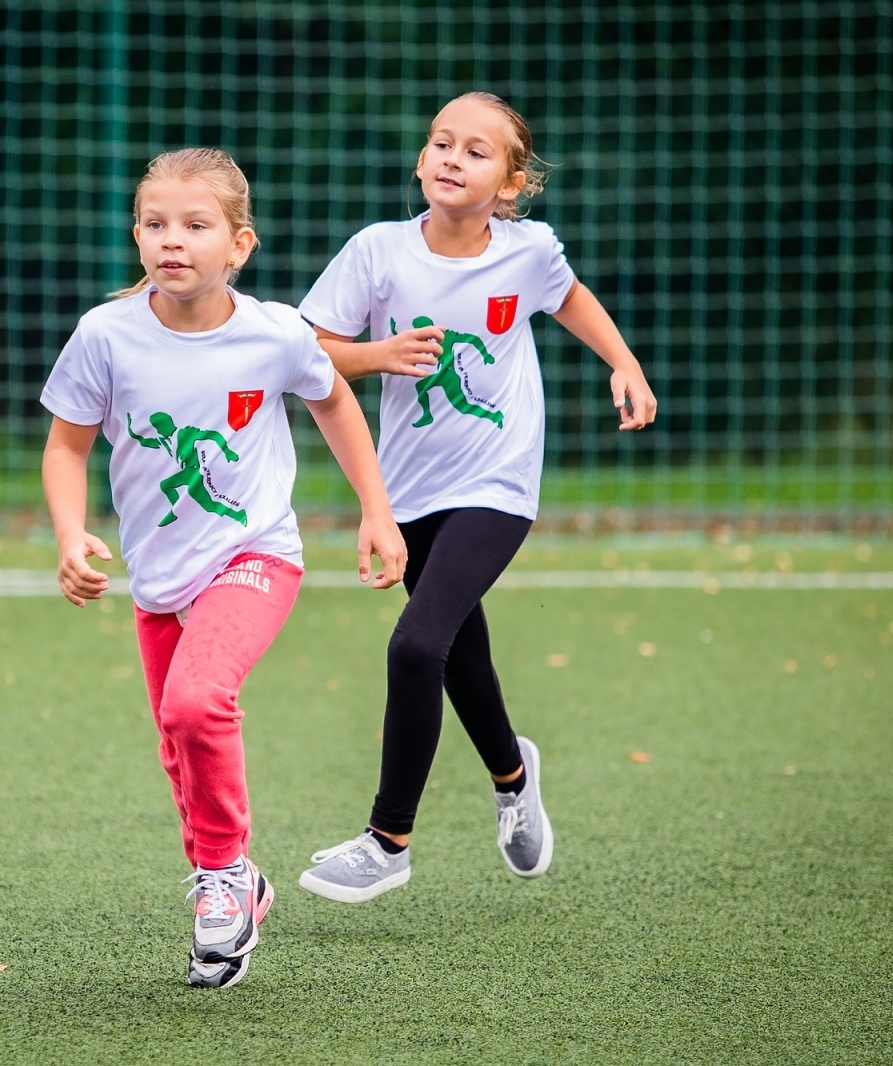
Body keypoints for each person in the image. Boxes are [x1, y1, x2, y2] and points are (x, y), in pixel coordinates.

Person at [40, 148, 405, 987]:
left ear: (239, 244)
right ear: (137, 235)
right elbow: (66, 446)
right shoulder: (105, 336)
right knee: (178, 737)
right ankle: (236, 878)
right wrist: (69, 534)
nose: (174, 241)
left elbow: (334, 400)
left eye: (196, 226)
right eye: (156, 224)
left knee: (200, 702)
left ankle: (220, 879)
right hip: (157, 581)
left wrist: (375, 510)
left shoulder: (275, 332)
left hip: (255, 556)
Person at [296, 92, 657, 903]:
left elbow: (569, 297)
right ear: (422, 160)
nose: (452, 158)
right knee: (463, 656)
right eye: (440, 143)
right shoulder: (377, 252)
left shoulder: (527, 253)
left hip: (499, 479)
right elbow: (309, 353)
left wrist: (623, 362)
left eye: (476, 150)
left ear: (512, 182)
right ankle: (512, 773)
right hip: (412, 487)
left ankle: (388, 841)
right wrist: (377, 353)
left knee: (417, 645)